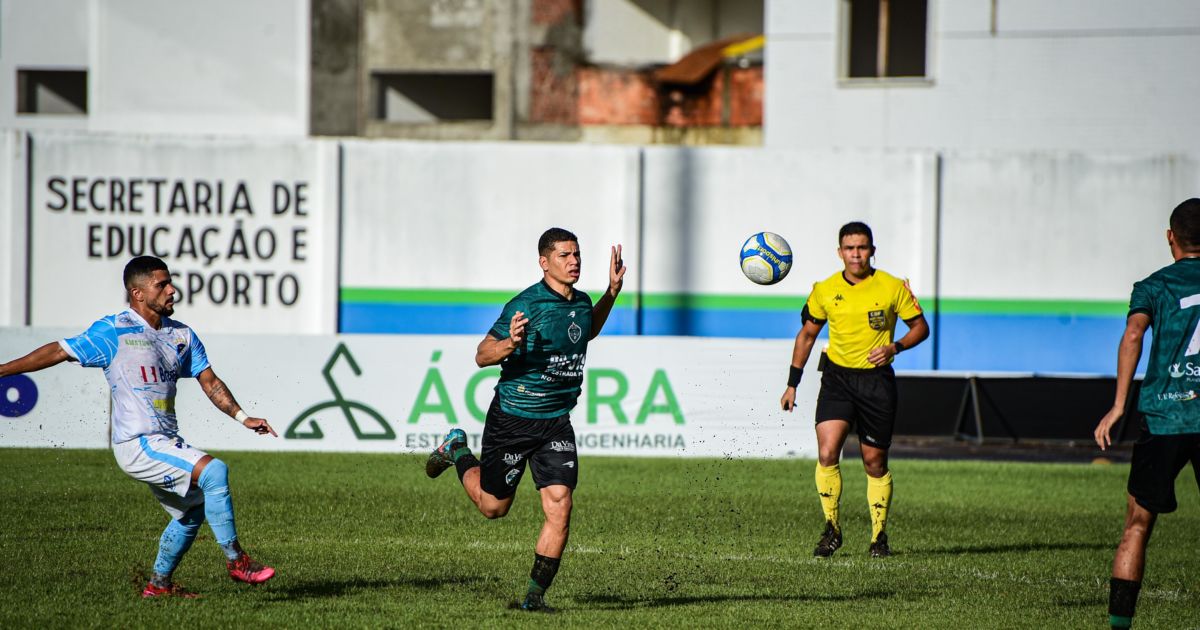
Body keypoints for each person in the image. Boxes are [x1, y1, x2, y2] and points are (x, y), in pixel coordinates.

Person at [0, 255, 277, 597]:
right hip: (138, 443)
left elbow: (209, 380)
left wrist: (242, 417)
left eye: (170, 282)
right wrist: (2, 369)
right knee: (214, 472)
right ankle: (238, 562)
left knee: (191, 513)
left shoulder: (181, 335)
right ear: (138, 294)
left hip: (165, 440)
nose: (172, 290)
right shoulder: (113, 330)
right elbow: (59, 351)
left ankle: (158, 586)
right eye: (162, 285)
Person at [424, 227, 625, 612]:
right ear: (543, 262)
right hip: (514, 419)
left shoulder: (581, 303)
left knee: (560, 504)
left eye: (577, 254)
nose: (574, 261)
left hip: (555, 422)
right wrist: (510, 344)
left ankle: (534, 598)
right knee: (493, 507)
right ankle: (458, 449)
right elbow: (482, 355)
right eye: (565, 256)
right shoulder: (527, 305)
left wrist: (611, 294)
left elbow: (587, 330)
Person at [780, 221, 929, 558]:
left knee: (874, 463)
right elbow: (807, 336)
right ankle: (832, 528)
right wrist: (792, 383)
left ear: (872, 250)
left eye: (862, 247)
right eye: (849, 248)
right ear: (840, 252)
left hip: (876, 383)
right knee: (827, 452)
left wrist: (896, 347)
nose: (856, 254)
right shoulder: (824, 289)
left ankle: (879, 537)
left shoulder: (892, 287)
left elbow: (920, 327)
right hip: (837, 380)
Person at [1094, 198, 1200, 630]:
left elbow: (1133, 334)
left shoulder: (1153, 285)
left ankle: (1120, 628)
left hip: (1164, 416)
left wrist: (1119, 405)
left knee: (1137, 524)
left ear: (1170, 237)